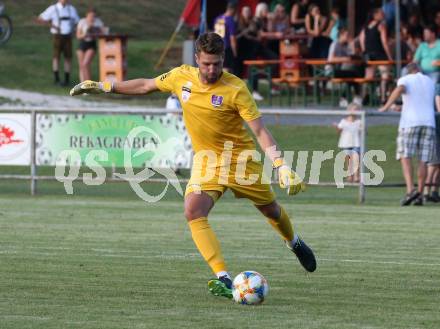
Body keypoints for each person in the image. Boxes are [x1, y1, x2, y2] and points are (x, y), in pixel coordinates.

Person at [69, 32, 317, 299]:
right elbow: (145, 85)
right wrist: (106, 87)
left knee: (270, 210)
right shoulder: (180, 77)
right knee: (193, 211)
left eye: (217, 63)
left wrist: (280, 165)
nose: (212, 69)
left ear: (223, 59)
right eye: (207, 63)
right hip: (206, 162)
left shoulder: (236, 89)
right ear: (197, 58)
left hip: (240, 162)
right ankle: (223, 277)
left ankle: (294, 242)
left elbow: (260, 131)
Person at [379, 63, 437, 206]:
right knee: (423, 160)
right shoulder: (429, 81)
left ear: (408, 72)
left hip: (410, 123)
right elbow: (419, 101)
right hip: (428, 122)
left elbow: (400, 89)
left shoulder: (406, 79)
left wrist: (386, 107)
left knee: (405, 156)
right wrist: (401, 107)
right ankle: (420, 194)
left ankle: (411, 189)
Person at [37, 0, 79, 86]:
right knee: (56, 57)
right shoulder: (53, 8)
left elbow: (77, 21)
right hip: (57, 36)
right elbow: (40, 18)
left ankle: (67, 80)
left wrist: (74, 29)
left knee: (68, 58)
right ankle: (57, 79)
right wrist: (52, 25)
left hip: (68, 36)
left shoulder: (71, 9)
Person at [359, 7, 393, 105]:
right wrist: (389, 55)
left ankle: (364, 96)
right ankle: (383, 97)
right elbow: (384, 41)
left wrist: (365, 51)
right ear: (375, 15)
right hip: (379, 53)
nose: (383, 15)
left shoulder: (366, 26)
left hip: (369, 54)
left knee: (368, 76)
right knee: (385, 75)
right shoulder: (381, 25)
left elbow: (361, 40)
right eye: (381, 13)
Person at [76, 8, 106, 82]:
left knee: (85, 64)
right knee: (81, 66)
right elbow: (78, 36)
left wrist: (96, 31)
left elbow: (104, 33)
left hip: (91, 44)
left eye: (93, 16)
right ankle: (82, 85)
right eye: (90, 16)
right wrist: (85, 33)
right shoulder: (82, 21)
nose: (92, 18)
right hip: (82, 43)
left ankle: (89, 84)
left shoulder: (98, 22)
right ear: (87, 15)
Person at [334, 103, 362, 183]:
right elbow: (339, 131)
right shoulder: (343, 121)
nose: (356, 111)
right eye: (354, 109)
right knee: (349, 160)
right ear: (349, 110)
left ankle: (357, 176)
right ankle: (350, 176)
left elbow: (363, 132)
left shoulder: (359, 122)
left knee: (356, 159)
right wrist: (336, 127)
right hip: (346, 143)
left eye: (357, 110)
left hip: (356, 143)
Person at [424, 85, 440, 202]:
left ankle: (434, 191)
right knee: (433, 164)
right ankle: (425, 192)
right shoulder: (437, 88)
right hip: (435, 132)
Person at [214, 2, 238, 74]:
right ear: (232, 10)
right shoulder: (230, 20)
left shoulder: (218, 19)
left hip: (217, 47)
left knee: (220, 67)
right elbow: (232, 38)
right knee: (227, 69)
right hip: (226, 47)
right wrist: (235, 52)